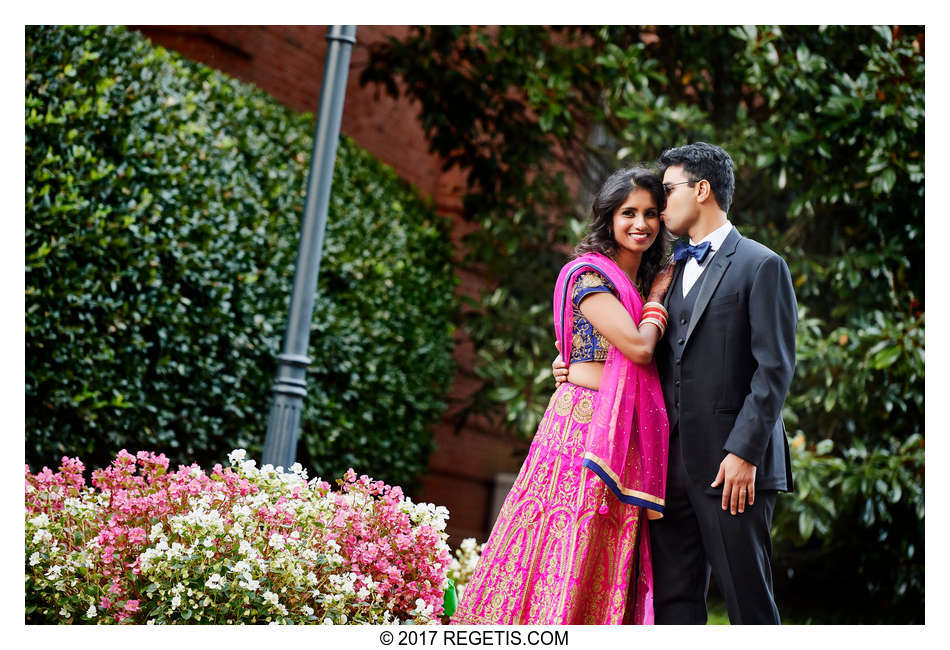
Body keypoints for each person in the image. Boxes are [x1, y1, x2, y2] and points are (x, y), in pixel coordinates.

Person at [554, 142, 798, 624]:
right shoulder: (665, 274)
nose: (661, 207)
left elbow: (775, 369)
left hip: (733, 471)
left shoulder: (761, 265)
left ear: (701, 190)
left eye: (667, 192)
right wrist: (571, 367)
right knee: (672, 606)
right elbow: (635, 355)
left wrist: (745, 452)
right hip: (666, 470)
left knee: (747, 602)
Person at [451, 167, 674, 625]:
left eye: (651, 213)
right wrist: (655, 301)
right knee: (563, 534)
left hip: (622, 428)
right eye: (629, 212)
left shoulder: (639, 281)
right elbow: (637, 346)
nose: (641, 223)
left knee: (602, 539)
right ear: (609, 216)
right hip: (582, 429)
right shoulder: (591, 276)